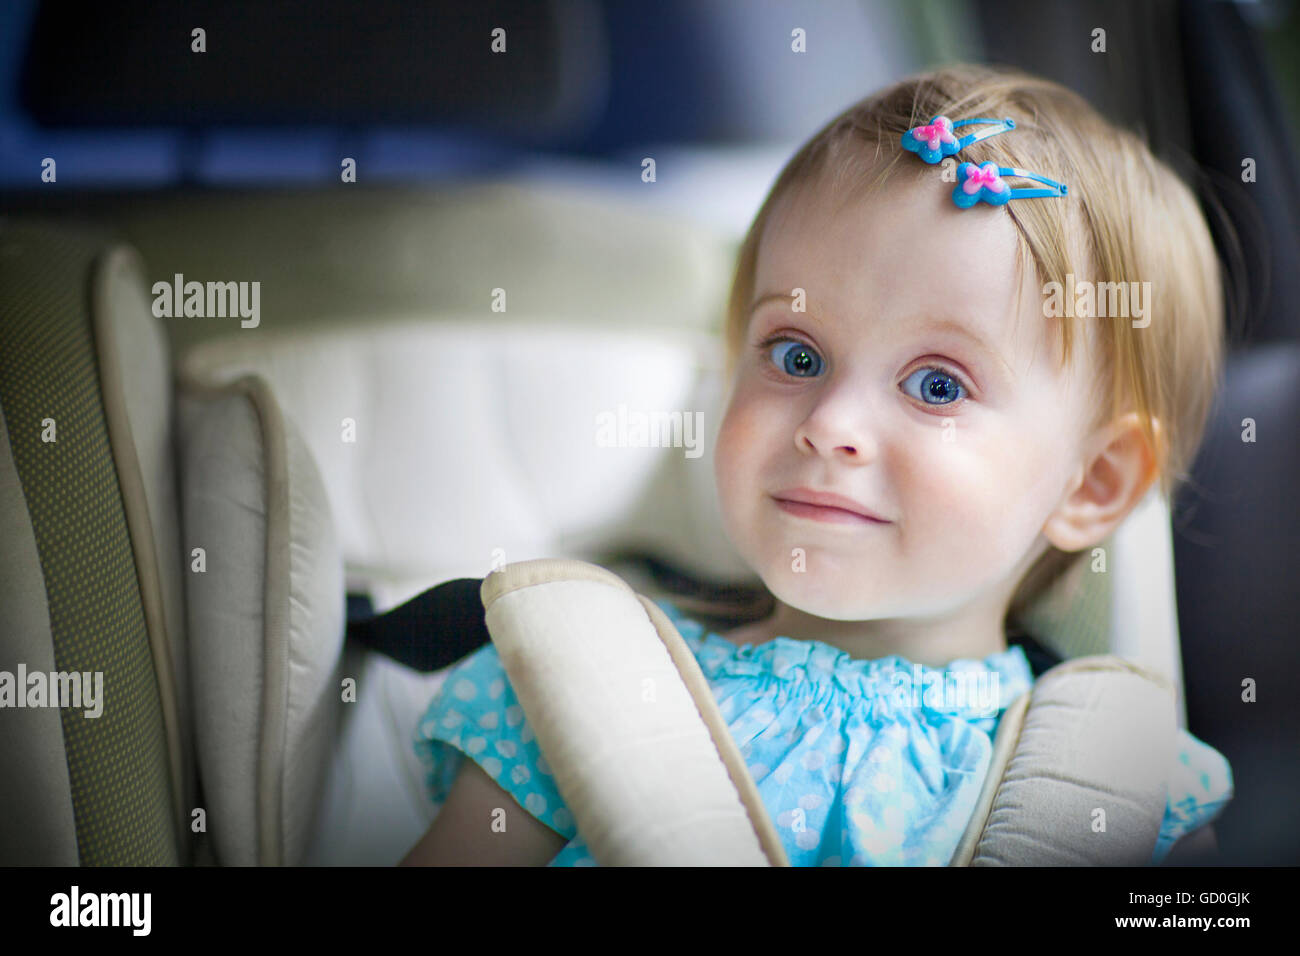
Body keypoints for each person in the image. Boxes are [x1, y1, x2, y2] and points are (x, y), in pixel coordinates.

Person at [398, 63, 1233, 866]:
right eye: (796, 357)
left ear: (1093, 483)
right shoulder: (586, 694)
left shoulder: (1125, 788)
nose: (831, 426)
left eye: (936, 385)